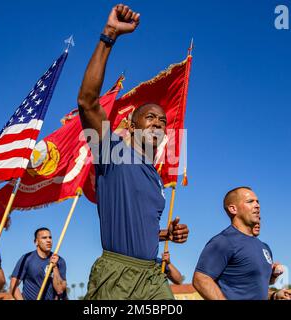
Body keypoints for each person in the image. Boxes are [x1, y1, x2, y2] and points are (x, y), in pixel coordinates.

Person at [77, 4, 189, 300]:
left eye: (163, 121)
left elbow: (138, 230)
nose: (159, 122)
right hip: (116, 277)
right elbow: (87, 102)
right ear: (130, 123)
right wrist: (109, 36)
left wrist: (166, 235)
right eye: (150, 117)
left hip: (152, 276)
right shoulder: (111, 151)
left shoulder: (156, 178)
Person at [193, 187, 291, 300]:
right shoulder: (224, 241)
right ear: (233, 209)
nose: (257, 205)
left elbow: (253, 287)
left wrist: (274, 295)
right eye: (250, 201)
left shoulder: (264, 247)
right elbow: (201, 279)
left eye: (257, 202)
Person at [10, 227, 67, 300]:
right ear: (36, 242)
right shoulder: (27, 258)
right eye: (44, 238)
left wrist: (55, 267)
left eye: (50, 237)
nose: (48, 240)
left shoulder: (60, 261)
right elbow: (13, 285)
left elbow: (60, 290)